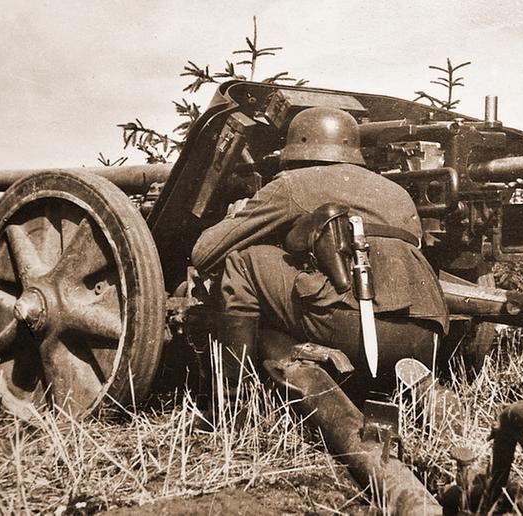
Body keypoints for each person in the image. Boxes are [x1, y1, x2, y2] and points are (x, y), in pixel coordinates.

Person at [189, 106, 449, 410]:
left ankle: (234, 405)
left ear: (296, 148)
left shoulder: (292, 184)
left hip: (358, 331)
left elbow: (204, 254)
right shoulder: (396, 192)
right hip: (426, 335)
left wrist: (235, 217)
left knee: (243, 262)